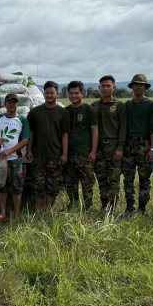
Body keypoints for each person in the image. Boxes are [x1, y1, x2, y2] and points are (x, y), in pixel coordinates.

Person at [26, 81, 70, 211]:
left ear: (57, 94)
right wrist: (29, 150)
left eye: (52, 93)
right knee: (38, 184)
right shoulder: (35, 112)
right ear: (43, 94)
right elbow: (30, 133)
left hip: (55, 155)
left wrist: (64, 154)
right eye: (47, 93)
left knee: (53, 184)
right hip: (38, 154)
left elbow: (65, 134)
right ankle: (39, 209)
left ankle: (48, 210)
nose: (49, 95)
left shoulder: (63, 112)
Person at [120, 74, 153, 215]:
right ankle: (130, 207)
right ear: (132, 87)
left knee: (144, 178)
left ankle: (142, 208)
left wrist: (152, 149)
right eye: (135, 84)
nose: (138, 87)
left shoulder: (151, 104)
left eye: (141, 85)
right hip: (129, 144)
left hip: (145, 144)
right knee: (128, 178)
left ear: (145, 87)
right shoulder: (127, 105)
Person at [92, 76, 127, 214]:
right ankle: (104, 204)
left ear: (114, 87)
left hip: (113, 145)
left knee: (114, 177)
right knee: (101, 176)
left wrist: (120, 148)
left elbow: (123, 128)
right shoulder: (94, 105)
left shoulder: (119, 105)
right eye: (103, 86)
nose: (105, 88)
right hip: (98, 146)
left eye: (108, 86)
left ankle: (113, 206)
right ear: (99, 88)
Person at [0, 93, 30, 220]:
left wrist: (10, 151)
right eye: (9, 102)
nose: (12, 104)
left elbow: (25, 140)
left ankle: (16, 214)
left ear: (18, 104)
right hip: (0, 159)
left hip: (14, 159)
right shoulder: (0, 118)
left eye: (14, 102)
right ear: (5, 104)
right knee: (1, 186)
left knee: (16, 187)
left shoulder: (22, 120)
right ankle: (2, 212)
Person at [64, 81, 98, 211]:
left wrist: (93, 151)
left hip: (84, 154)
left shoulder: (89, 110)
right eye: (71, 93)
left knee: (87, 183)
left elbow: (95, 131)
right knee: (70, 182)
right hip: (70, 154)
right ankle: (73, 205)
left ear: (82, 94)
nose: (74, 96)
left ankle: (87, 208)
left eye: (76, 93)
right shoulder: (66, 111)